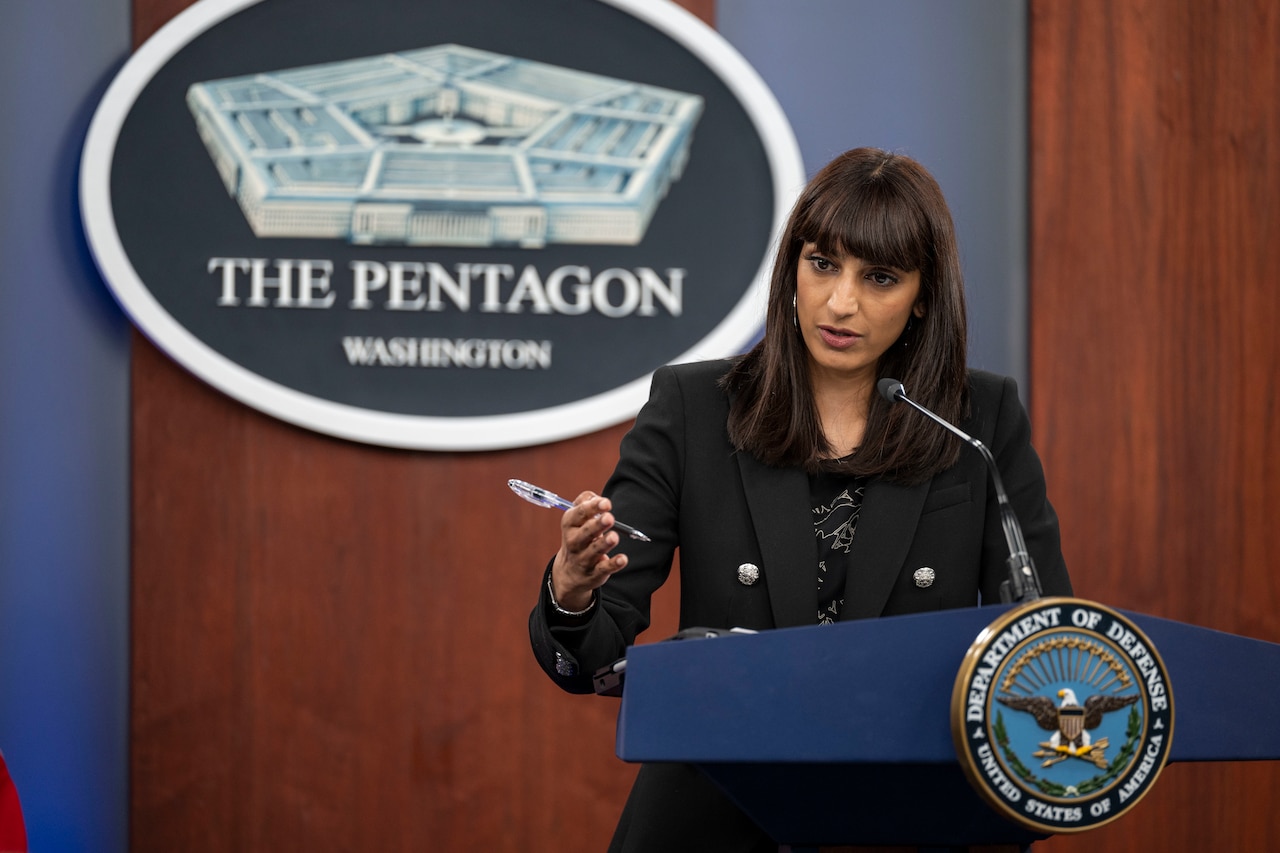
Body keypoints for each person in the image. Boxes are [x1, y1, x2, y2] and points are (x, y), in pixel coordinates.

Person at [528, 147, 1072, 852]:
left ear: (923, 296)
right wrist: (573, 592)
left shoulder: (979, 421)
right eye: (823, 264)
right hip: (717, 813)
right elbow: (592, 658)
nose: (841, 302)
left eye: (879, 277)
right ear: (792, 268)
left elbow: (1050, 646)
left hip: (914, 816)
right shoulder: (694, 407)